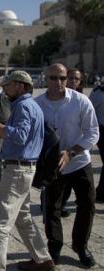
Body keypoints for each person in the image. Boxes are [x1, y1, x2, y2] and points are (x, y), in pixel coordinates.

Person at [0, 70, 54, 271]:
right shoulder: (32, 106)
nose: (5, 88)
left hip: (18, 170)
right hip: (25, 169)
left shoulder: (23, 106)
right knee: (23, 217)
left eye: (8, 85)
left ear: (20, 86)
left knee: (0, 224)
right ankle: (42, 258)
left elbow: (19, 136)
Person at [36, 63, 99, 268]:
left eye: (63, 78)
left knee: (87, 204)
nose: (59, 82)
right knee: (51, 207)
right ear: (45, 79)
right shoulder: (37, 105)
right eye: (54, 78)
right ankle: (54, 246)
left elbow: (92, 132)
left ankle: (80, 246)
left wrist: (71, 152)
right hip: (52, 166)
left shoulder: (80, 101)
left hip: (79, 161)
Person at [60, 68, 85, 217]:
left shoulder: (82, 99)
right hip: (59, 148)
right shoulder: (55, 97)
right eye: (70, 78)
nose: (73, 81)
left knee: (71, 183)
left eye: (76, 79)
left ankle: (62, 204)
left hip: (76, 149)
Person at [88, 79, 104, 202]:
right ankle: (99, 193)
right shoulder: (97, 92)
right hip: (102, 130)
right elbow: (89, 112)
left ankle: (100, 193)